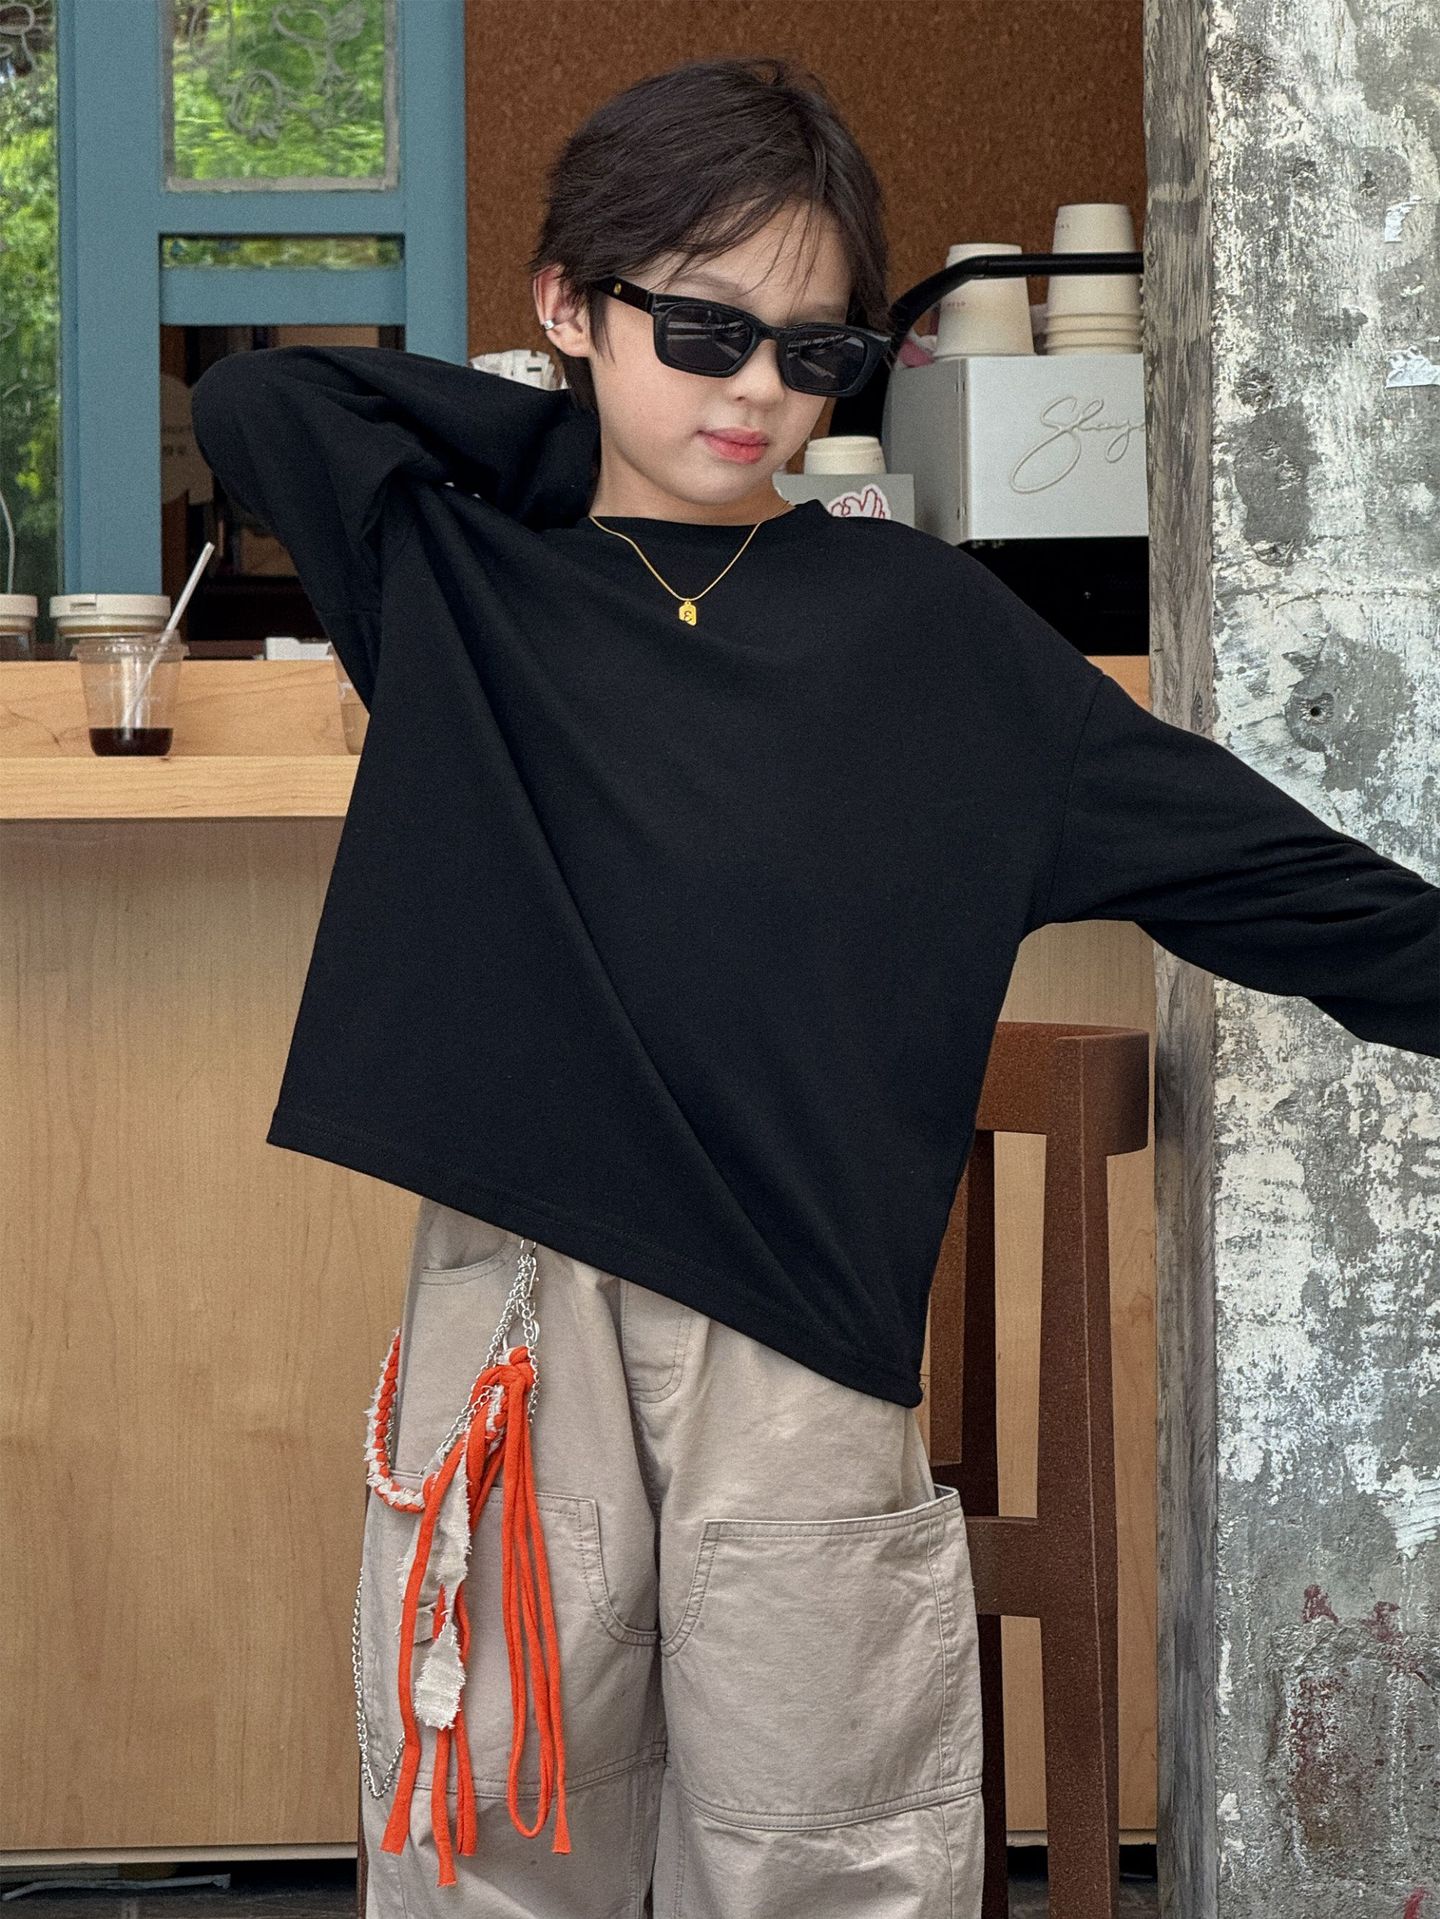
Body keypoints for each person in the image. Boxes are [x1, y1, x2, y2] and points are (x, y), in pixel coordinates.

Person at [188, 54, 1440, 1919]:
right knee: (495, 1819)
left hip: (798, 1337)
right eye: (702, 329)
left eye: (815, 352)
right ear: (565, 302)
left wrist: (648, 383)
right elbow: (269, 402)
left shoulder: (937, 642)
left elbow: (1291, 892)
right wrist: (578, 444)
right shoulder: (456, 574)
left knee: (824, 1841)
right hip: (516, 1301)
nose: (757, 392)